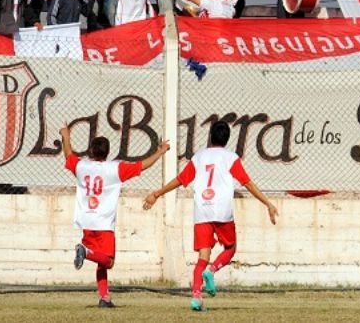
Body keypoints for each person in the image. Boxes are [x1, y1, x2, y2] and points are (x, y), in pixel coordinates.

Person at [142, 121, 278, 311]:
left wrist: (157, 194)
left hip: (202, 210)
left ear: (210, 136)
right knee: (230, 248)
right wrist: (267, 203)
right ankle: (212, 271)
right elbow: (247, 183)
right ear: (227, 138)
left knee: (202, 256)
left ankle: (197, 298)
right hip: (222, 210)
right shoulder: (231, 157)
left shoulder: (199, 157)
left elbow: (181, 180)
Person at [60, 123, 170, 308]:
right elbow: (142, 165)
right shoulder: (115, 169)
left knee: (101, 262)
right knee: (108, 262)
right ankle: (85, 252)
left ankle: (105, 297)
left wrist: (66, 136)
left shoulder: (81, 166)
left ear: (91, 151)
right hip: (103, 222)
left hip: (86, 220)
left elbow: (68, 153)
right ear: (108, 152)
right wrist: (160, 152)